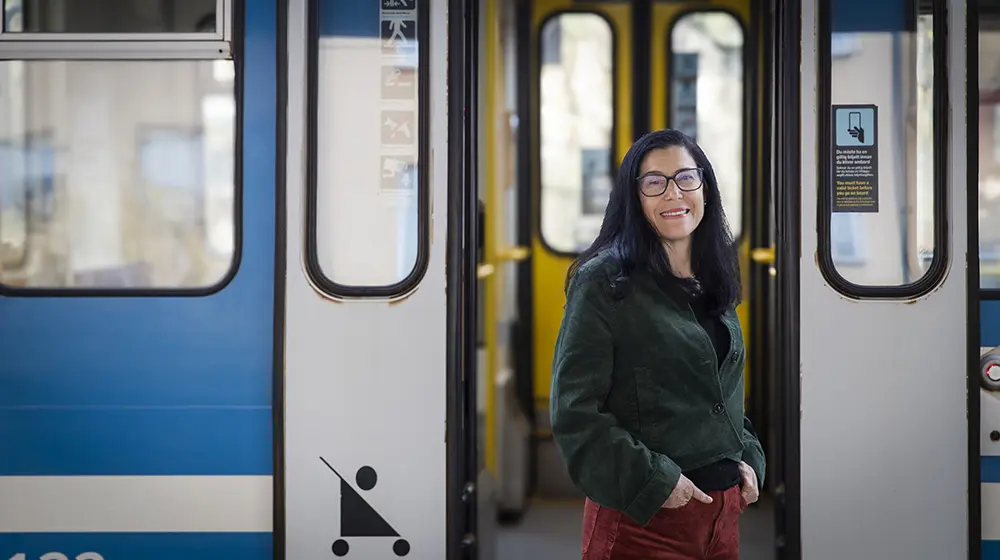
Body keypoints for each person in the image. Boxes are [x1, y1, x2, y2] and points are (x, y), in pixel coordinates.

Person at [549, 128, 765, 559]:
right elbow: (575, 411)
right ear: (635, 198)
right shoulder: (604, 282)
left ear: (705, 187)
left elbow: (721, 389)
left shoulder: (712, 274)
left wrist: (750, 458)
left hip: (722, 520)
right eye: (654, 182)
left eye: (686, 177)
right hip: (644, 522)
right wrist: (655, 482)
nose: (673, 193)